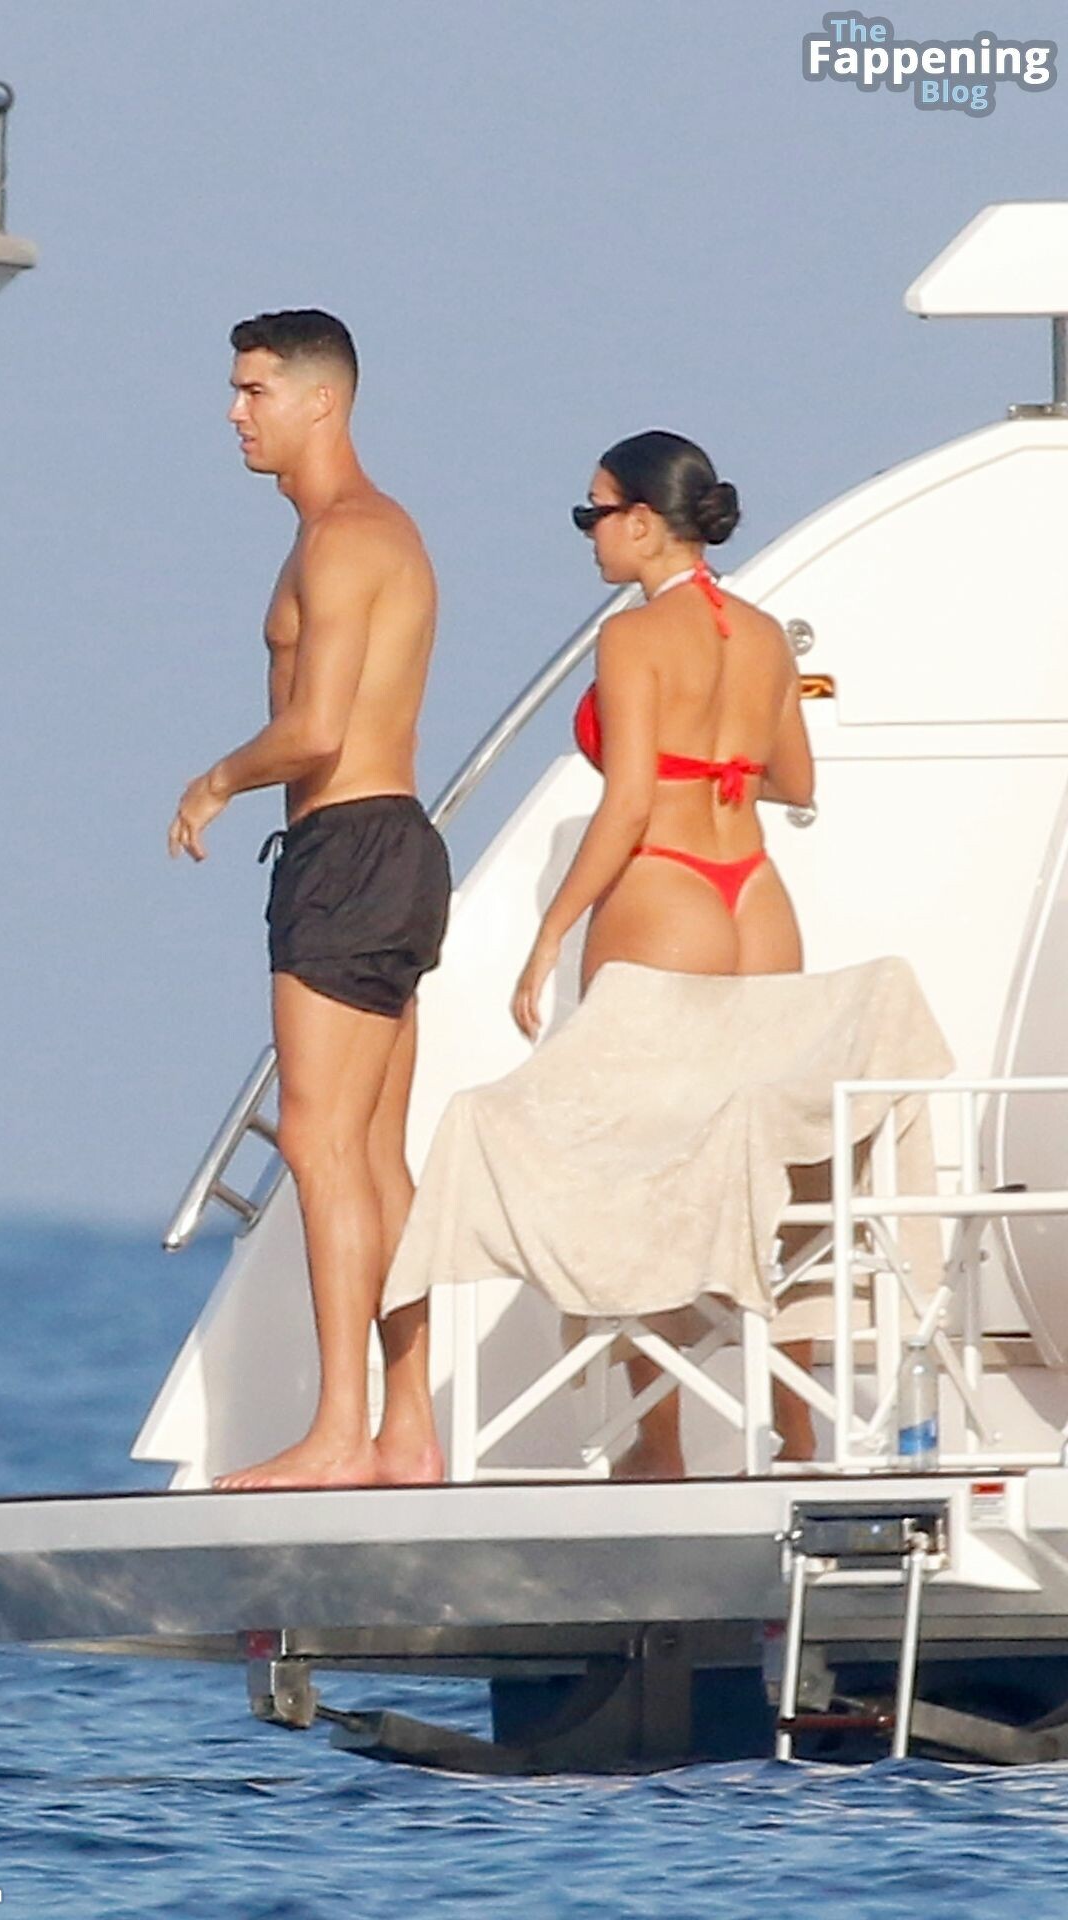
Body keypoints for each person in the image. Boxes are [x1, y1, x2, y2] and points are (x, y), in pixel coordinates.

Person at [168, 309, 450, 1490]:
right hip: (393, 847)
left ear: (320, 400)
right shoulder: (375, 530)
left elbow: (315, 729)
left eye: (255, 391)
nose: (234, 412)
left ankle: (340, 1432)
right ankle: (406, 1432)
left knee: (320, 1140)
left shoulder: (343, 539)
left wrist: (214, 780)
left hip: (347, 848)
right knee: (373, 1153)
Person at [511, 429, 815, 1478]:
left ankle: (659, 1444)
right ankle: (800, 1431)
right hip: (755, 891)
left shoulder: (633, 637)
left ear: (642, 522)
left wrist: (551, 930)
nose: (587, 533)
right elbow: (795, 780)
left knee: (634, 1171)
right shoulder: (764, 633)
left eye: (591, 513)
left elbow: (628, 802)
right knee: (773, 1176)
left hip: (668, 884)